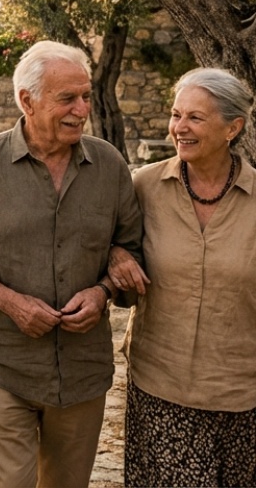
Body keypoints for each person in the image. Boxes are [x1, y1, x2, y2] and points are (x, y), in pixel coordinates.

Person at [0, 40, 143, 488]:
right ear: (27, 101)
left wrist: (103, 290)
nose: (82, 108)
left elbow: (134, 250)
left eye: (85, 96)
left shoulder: (108, 166)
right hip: (2, 365)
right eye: (67, 98)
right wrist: (8, 301)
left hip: (83, 370)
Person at [108, 68, 256, 487]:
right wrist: (117, 253)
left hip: (242, 397)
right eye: (176, 115)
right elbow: (109, 244)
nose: (180, 128)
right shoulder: (144, 188)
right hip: (161, 387)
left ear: (233, 127)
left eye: (195, 118)